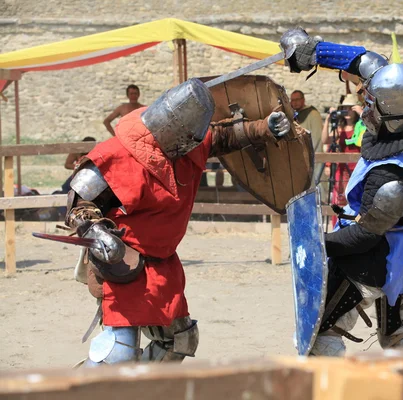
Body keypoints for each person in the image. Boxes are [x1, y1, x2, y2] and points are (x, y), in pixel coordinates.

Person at [64, 78, 294, 366]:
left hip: (163, 264)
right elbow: (79, 202)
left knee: (181, 341)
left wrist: (264, 128)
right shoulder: (118, 154)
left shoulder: (187, 144)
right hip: (125, 262)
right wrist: (98, 233)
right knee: (118, 352)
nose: (193, 146)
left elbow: (224, 137)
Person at [281, 28, 403, 356]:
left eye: (369, 101)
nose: (363, 102)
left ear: (392, 116)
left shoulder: (392, 182)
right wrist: (315, 51)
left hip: (380, 256)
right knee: (400, 334)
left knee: (322, 335)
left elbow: (364, 237)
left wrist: (316, 244)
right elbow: (368, 62)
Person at [321, 94, 363, 227]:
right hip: (342, 169)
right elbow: (325, 140)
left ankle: (354, 227)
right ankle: (338, 227)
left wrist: (362, 114)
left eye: (350, 107)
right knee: (339, 199)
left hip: (357, 168)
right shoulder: (339, 128)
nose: (348, 110)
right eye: (345, 108)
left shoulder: (361, 126)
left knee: (355, 199)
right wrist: (328, 119)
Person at [291, 90, 324, 188]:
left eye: (297, 99)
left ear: (303, 100)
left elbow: (317, 137)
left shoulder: (312, 114)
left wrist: (308, 152)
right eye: (292, 100)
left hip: (311, 155)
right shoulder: (292, 115)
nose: (295, 102)